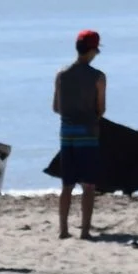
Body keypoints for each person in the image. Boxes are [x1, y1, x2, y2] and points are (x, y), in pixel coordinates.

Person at [52, 30, 105, 240]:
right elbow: (100, 110)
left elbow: (56, 107)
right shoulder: (98, 77)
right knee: (89, 185)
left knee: (66, 185)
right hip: (88, 135)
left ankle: (63, 230)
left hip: (66, 134)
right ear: (92, 50)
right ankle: (84, 230)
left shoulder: (61, 75)